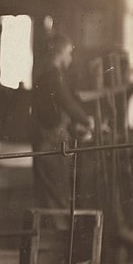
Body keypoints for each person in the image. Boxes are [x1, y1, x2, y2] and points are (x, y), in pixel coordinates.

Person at [31, 34, 95, 213]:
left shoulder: (43, 72)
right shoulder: (53, 74)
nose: (70, 58)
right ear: (59, 53)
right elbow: (66, 102)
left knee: (47, 194)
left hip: (43, 138)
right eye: (68, 53)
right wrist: (87, 120)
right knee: (57, 194)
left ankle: (48, 236)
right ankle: (59, 237)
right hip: (49, 141)